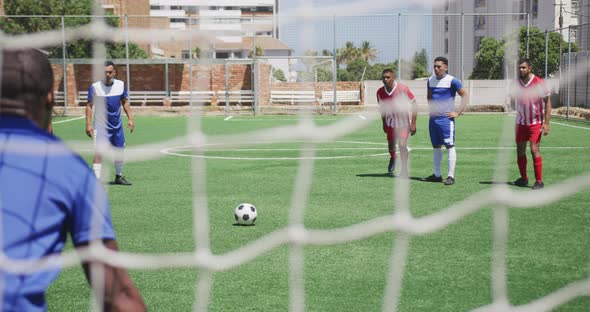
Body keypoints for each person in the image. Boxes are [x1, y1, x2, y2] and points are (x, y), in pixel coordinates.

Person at [0, 48, 145, 311]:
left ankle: (119, 175)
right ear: (49, 98)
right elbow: (118, 296)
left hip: (115, 127)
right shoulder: (64, 169)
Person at [86, 61, 135, 185]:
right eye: (104, 72)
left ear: (114, 72)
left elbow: (125, 102)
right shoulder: (95, 87)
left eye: (109, 72)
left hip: (117, 126)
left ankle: (118, 176)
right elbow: (89, 106)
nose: (107, 74)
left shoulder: (120, 85)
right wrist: (88, 124)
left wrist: (130, 119)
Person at [423, 56, 469, 185]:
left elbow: (465, 95)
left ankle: (451, 176)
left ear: (446, 67)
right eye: (435, 66)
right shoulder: (430, 80)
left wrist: (457, 112)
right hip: (433, 119)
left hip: (446, 119)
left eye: (439, 66)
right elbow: (429, 97)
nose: (436, 69)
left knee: (449, 145)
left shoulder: (452, 81)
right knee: (436, 146)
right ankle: (437, 175)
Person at [510, 58, 551, 190]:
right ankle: (524, 178)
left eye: (523, 67)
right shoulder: (515, 83)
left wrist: (546, 123)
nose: (521, 70)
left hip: (535, 123)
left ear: (529, 68)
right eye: (519, 68)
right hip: (521, 122)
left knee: (534, 150)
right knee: (520, 150)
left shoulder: (539, 83)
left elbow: (548, 102)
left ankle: (539, 181)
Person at [376, 68, 417, 177]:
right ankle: (393, 158)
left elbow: (414, 104)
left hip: (403, 123)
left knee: (402, 145)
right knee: (391, 145)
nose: (385, 79)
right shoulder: (380, 92)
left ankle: (404, 170)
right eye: (383, 77)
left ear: (393, 77)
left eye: (388, 77)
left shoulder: (403, 89)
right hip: (390, 123)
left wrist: (413, 123)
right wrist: (384, 123)